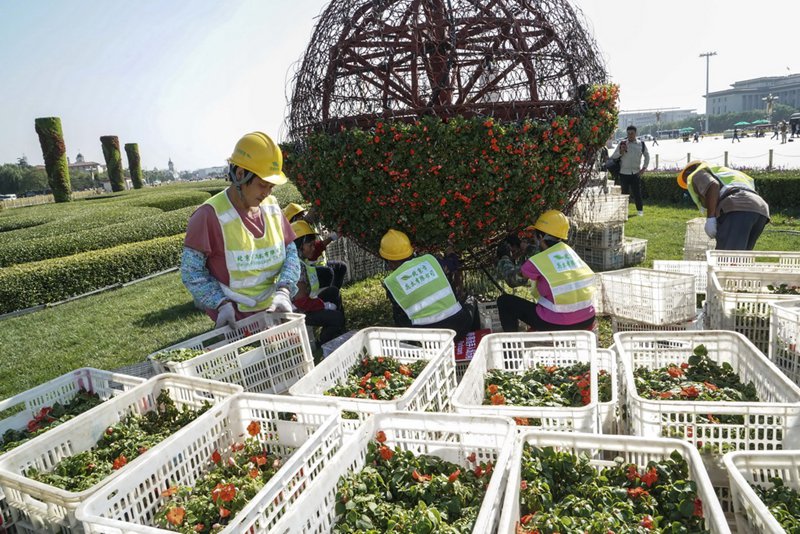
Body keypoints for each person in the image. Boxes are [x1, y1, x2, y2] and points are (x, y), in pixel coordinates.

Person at [180, 132, 300, 328]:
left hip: (275, 312)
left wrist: (284, 290)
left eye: (271, 186)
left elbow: (291, 252)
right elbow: (191, 271)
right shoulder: (208, 216)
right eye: (262, 185)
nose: (267, 193)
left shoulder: (271, 207)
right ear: (240, 175)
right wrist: (221, 303)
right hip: (236, 322)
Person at [496, 210, 596, 333]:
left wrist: (504, 257)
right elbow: (548, 254)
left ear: (540, 237)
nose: (533, 238)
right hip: (587, 319)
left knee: (505, 302)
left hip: (556, 323)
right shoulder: (570, 253)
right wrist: (524, 246)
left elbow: (513, 280)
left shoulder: (538, 261)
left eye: (535, 235)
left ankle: (510, 347)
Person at [379, 229, 476, 341]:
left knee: (398, 314)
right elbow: (453, 264)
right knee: (470, 299)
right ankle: (473, 340)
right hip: (459, 329)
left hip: (426, 339)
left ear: (389, 260)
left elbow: (401, 316)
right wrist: (450, 252)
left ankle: (411, 344)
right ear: (410, 251)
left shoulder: (391, 283)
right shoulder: (431, 261)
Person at [677, 160, 770, 251]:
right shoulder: (724, 172)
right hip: (761, 210)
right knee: (742, 259)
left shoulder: (697, 173)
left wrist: (711, 219)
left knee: (726, 259)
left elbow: (713, 185)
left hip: (737, 207)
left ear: (687, 173)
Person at [291, 220, 346, 345]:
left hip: (305, 304)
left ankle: (339, 331)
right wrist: (324, 306)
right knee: (337, 318)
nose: (313, 248)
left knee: (333, 292)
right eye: (310, 245)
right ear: (299, 246)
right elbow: (302, 302)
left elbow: (318, 248)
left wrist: (333, 237)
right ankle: (323, 343)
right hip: (298, 312)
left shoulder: (300, 259)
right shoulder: (296, 267)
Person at [282, 202, 348, 289]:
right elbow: (314, 249)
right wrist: (332, 237)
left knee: (340, 267)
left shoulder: (303, 227)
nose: (303, 217)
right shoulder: (295, 235)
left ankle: (332, 291)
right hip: (308, 271)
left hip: (314, 265)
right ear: (293, 219)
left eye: (303, 215)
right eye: (300, 216)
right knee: (327, 273)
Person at [608, 125, 649, 216]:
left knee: (637, 193)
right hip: (623, 173)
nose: (630, 135)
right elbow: (613, 157)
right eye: (628, 133)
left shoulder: (641, 144)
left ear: (636, 133)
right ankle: (624, 213)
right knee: (624, 195)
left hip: (635, 173)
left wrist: (644, 168)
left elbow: (647, 156)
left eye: (632, 133)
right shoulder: (622, 143)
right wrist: (621, 152)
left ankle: (640, 212)